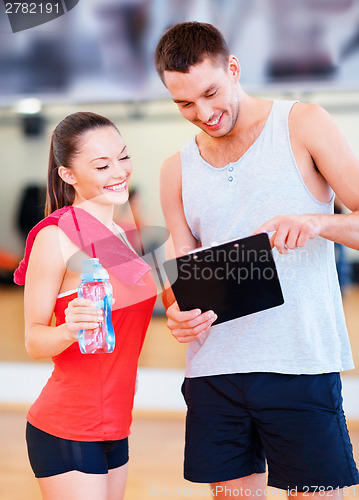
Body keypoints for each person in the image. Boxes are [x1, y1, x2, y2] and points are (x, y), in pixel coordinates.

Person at [154, 22, 359, 498]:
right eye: (185, 103)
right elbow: (179, 272)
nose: (203, 113)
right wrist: (176, 311)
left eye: (211, 92)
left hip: (299, 362)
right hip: (214, 371)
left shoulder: (303, 122)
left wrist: (319, 223)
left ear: (234, 68)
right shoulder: (174, 169)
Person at [13, 112, 156, 500]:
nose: (119, 171)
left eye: (122, 157)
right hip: (68, 427)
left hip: (116, 424)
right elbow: (33, 340)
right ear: (68, 174)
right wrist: (67, 329)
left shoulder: (121, 235)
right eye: (101, 164)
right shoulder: (55, 235)